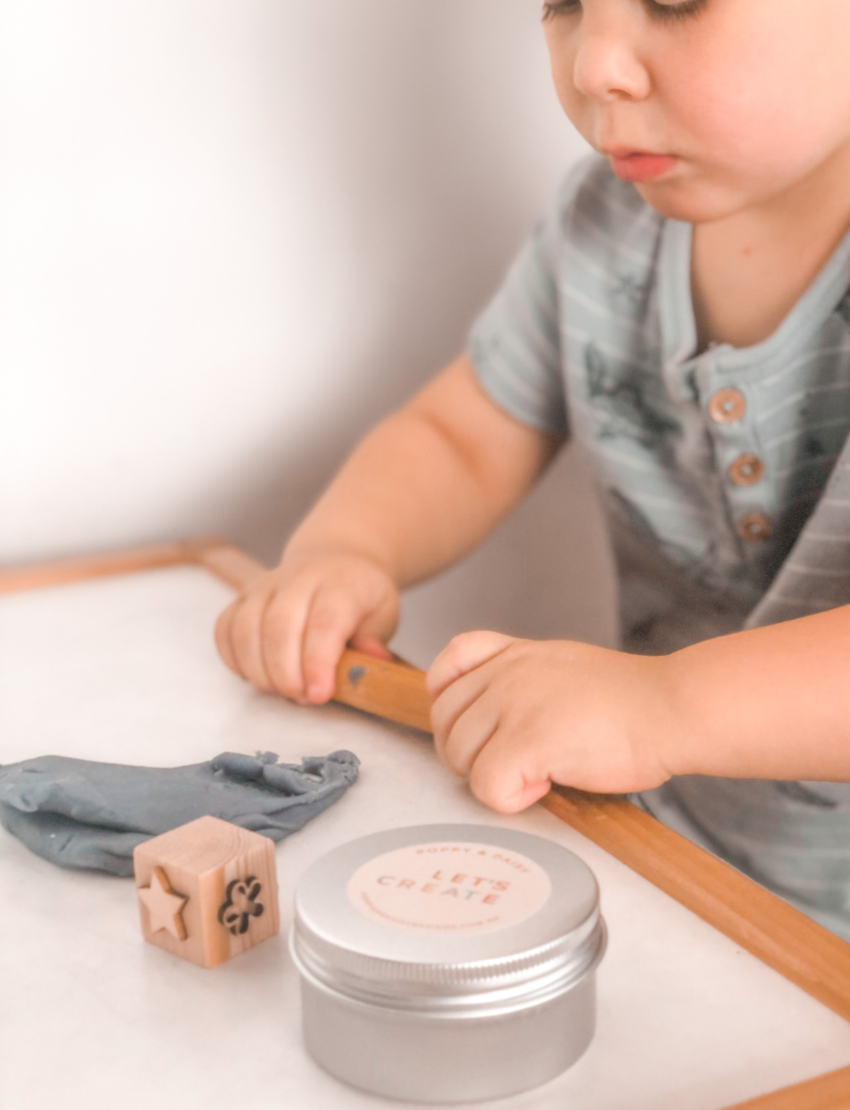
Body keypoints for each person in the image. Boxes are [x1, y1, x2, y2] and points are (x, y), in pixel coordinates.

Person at [215, 0, 850, 936]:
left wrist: (657, 708)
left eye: (673, 1)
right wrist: (346, 551)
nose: (595, 66)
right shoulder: (601, 225)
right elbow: (464, 434)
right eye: (562, 4)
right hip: (668, 864)